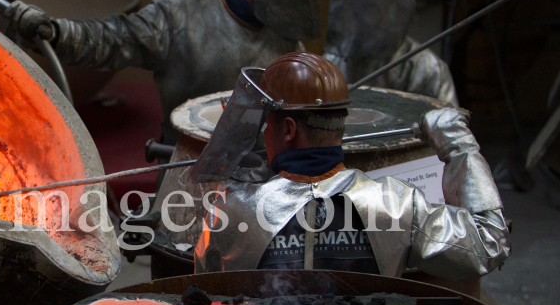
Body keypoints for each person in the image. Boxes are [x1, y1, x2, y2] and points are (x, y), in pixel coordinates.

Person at [3, 0, 320, 142]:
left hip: (264, 185)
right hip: (190, 183)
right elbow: (109, 40)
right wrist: (55, 32)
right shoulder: (178, 18)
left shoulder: (284, 34)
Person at [192, 52, 508, 279]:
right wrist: (459, 145)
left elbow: (204, 287)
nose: (263, 135)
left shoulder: (230, 209)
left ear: (288, 130)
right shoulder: (396, 206)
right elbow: (489, 243)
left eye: (266, 126)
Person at [323, 0, 458, 105]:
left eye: (375, 1)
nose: (365, 13)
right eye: (360, 0)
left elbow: (447, 124)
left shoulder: (426, 68)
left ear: (392, 2)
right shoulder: (332, 65)